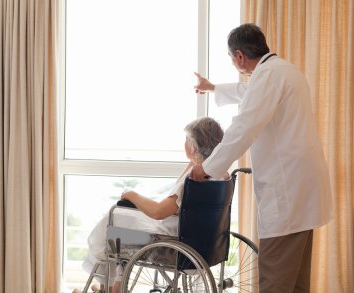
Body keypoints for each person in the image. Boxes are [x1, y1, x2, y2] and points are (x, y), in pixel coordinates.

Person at [192, 23, 333, 293]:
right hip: (303, 189)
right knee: (297, 281)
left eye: (232, 58)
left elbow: (244, 126)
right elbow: (249, 94)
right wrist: (213, 88)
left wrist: (207, 168)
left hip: (288, 192)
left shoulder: (268, 77)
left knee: (275, 280)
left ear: (239, 56)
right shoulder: (283, 71)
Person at [73, 117, 224, 293]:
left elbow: (159, 211)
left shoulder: (191, 181)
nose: (184, 143)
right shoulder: (218, 175)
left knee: (112, 224)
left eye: (186, 139)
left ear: (193, 146)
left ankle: (109, 285)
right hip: (200, 242)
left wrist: (132, 194)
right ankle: (115, 285)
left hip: (169, 242)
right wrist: (194, 160)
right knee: (120, 233)